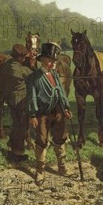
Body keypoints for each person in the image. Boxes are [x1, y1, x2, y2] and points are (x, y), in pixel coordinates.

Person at [27, 42, 73, 186]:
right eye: (50, 61)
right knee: (41, 140)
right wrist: (33, 115)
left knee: (60, 137)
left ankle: (62, 167)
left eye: (54, 61)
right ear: (43, 61)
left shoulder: (54, 74)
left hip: (58, 111)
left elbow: (60, 92)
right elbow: (32, 97)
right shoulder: (34, 77)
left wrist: (65, 107)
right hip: (42, 114)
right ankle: (40, 171)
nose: (53, 64)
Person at [0, 44, 34, 162]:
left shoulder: (7, 65)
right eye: (23, 57)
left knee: (16, 124)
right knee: (21, 127)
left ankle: (12, 148)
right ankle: (17, 154)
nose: (24, 59)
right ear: (20, 58)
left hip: (11, 100)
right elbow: (34, 76)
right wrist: (32, 64)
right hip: (21, 101)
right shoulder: (20, 69)